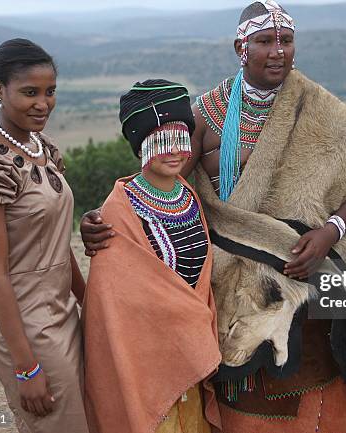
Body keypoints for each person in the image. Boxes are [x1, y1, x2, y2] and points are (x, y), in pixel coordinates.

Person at [81, 1, 346, 431]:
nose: (277, 51)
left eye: (286, 41)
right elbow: (161, 181)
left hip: (301, 281)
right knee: (242, 402)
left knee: (313, 399)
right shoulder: (207, 111)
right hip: (225, 288)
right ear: (240, 46)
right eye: (264, 41)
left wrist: (329, 234)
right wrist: (108, 214)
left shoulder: (320, 109)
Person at [0, 39, 88, 433]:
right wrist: (26, 367)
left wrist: (87, 301)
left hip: (58, 309)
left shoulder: (42, 149)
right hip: (19, 320)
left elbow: (58, 240)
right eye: (30, 93)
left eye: (50, 92)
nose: (43, 103)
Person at [82, 80, 222, 433]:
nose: (174, 151)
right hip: (145, 358)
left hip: (190, 350)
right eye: (160, 142)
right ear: (140, 147)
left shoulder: (188, 196)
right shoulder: (119, 210)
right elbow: (114, 305)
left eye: (181, 139)